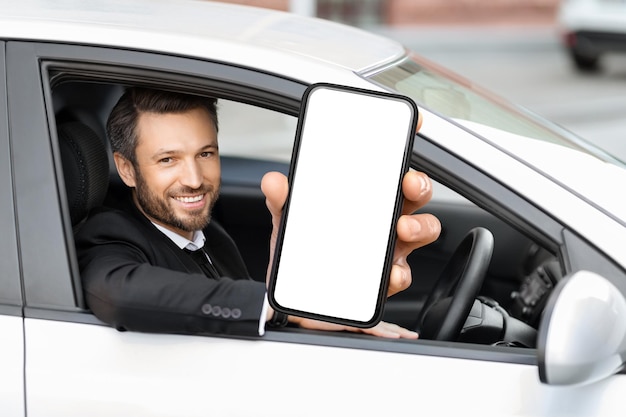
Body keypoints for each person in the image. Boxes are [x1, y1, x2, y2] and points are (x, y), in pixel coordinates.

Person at [75, 87, 441, 339]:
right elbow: (120, 294)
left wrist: (293, 288)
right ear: (126, 169)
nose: (194, 179)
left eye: (205, 154)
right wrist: (282, 306)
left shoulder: (210, 236)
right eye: (168, 160)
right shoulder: (109, 233)